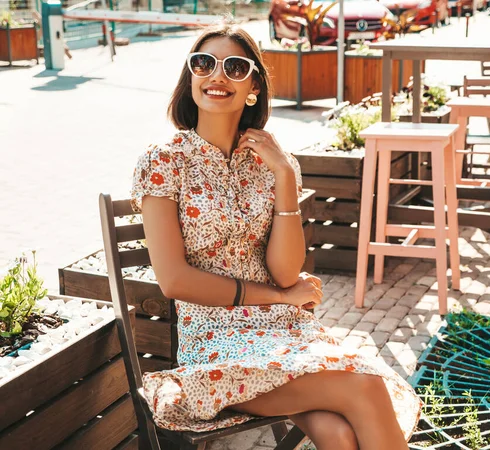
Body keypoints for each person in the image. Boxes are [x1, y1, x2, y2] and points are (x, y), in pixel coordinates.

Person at [131, 23, 421, 450]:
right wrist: (281, 298)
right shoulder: (163, 162)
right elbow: (174, 281)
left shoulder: (270, 162)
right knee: (366, 388)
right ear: (189, 77)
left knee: (339, 434)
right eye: (203, 63)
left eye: (234, 67)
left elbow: (286, 273)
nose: (217, 76)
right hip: (216, 346)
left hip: (284, 334)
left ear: (253, 86)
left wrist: (284, 176)